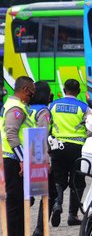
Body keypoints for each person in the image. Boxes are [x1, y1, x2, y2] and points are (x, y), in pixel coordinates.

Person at [49, 79, 92, 227]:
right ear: (79, 91)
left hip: (57, 147)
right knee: (78, 182)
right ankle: (72, 215)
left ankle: (57, 204)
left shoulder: (53, 105)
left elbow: (47, 124)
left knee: (58, 179)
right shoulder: (83, 107)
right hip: (77, 149)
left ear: (63, 89)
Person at [1, 76, 35, 236]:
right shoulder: (16, 108)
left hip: (12, 160)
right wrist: (22, 159)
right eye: (31, 94)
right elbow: (12, 134)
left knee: (18, 203)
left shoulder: (12, 104)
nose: (31, 97)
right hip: (14, 161)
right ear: (25, 90)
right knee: (15, 204)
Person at [29, 81, 57, 236]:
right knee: (51, 193)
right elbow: (41, 136)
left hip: (24, 154)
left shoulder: (27, 109)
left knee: (29, 193)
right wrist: (46, 161)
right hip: (37, 156)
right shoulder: (43, 112)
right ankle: (40, 229)